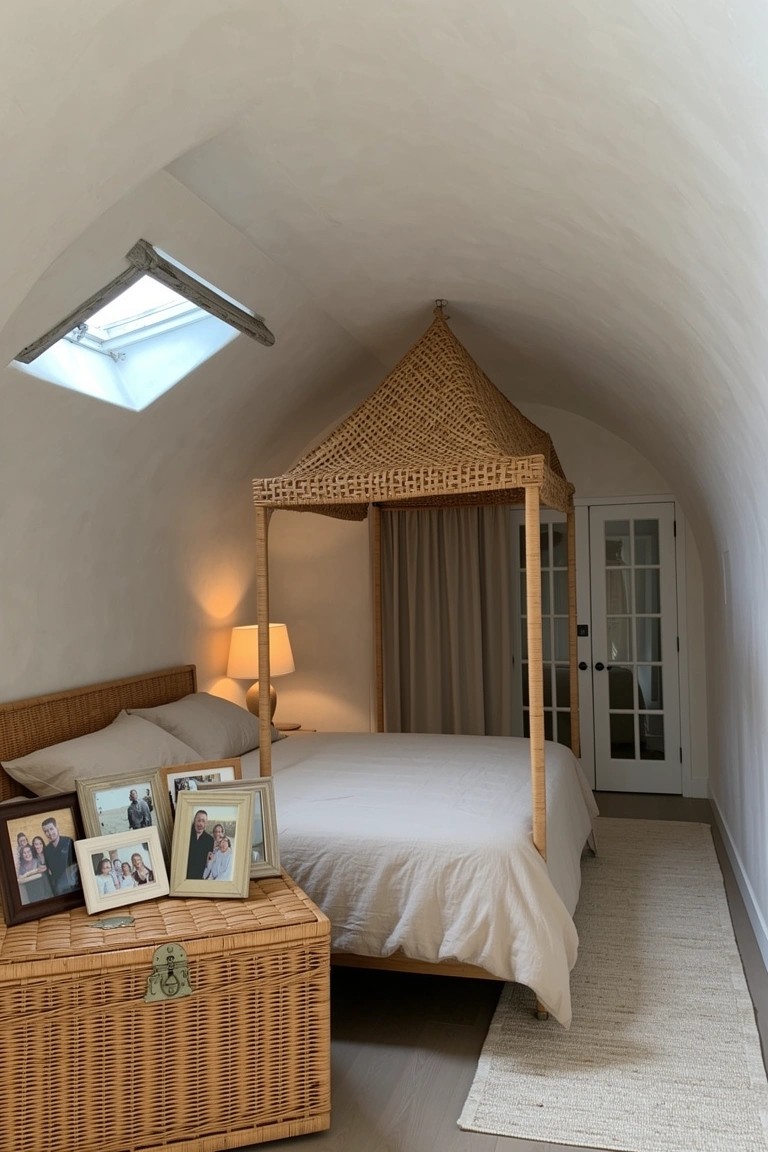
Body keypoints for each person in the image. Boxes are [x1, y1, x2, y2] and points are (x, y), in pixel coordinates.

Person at [41, 816, 79, 895]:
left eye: (51, 829)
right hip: (59, 890)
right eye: (46, 831)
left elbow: (77, 863)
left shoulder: (68, 842)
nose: (50, 833)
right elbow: (48, 869)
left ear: (56, 827)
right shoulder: (46, 850)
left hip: (74, 885)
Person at [186, 810, 214, 879]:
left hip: (200, 877)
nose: (200, 823)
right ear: (194, 821)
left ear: (206, 824)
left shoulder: (210, 840)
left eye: (203, 821)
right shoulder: (186, 835)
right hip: (184, 875)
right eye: (199, 820)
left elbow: (209, 863)